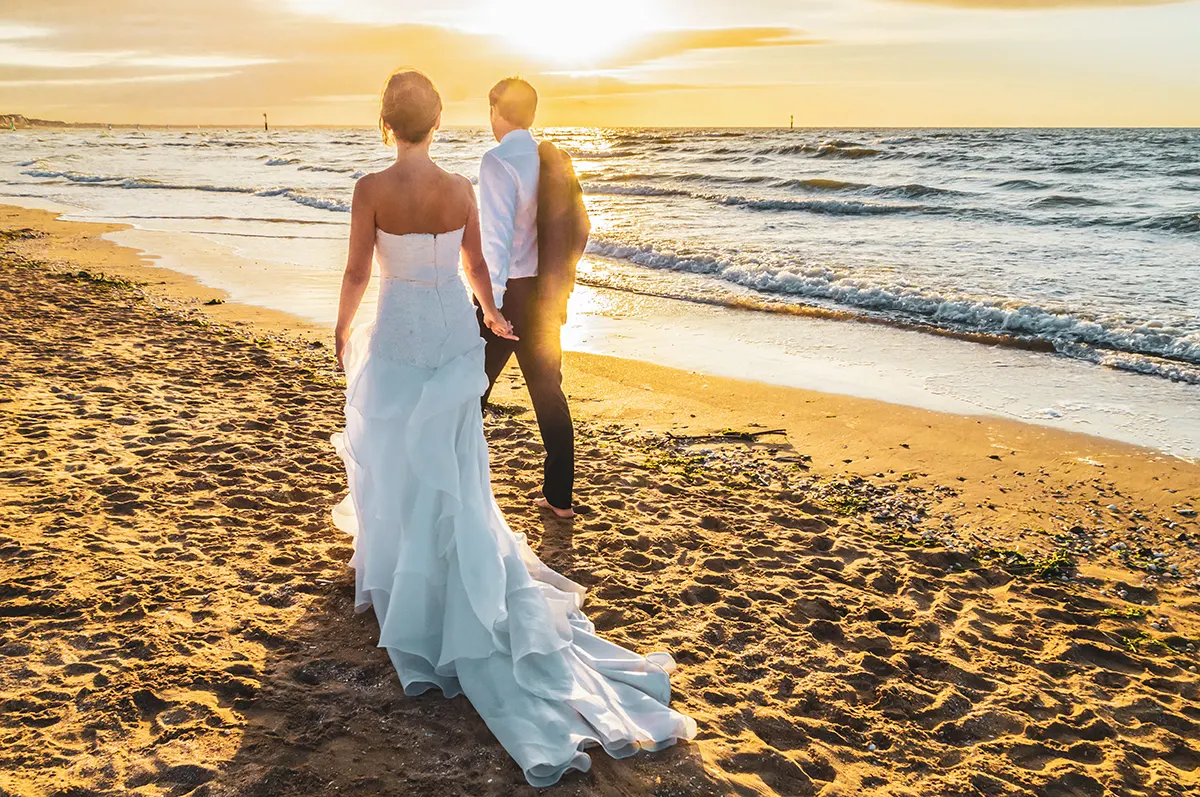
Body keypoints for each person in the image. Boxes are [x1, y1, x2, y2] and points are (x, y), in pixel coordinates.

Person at [330, 68, 695, 788]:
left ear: (387, 122)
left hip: (400, 330)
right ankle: (450, 560)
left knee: (396, 442)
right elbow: (475, 264)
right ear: (437, 123)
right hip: (449, 329)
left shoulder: (370, 188)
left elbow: (356, 272)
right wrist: (493, 313)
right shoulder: (460, 187)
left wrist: (343, 328)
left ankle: (396, 568)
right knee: (454, 453)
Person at [477, 77, 586, 519]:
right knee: (548, 394)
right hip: (544, 292)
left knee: (470, 393)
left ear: (497, 110)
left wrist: (491, 306)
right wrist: (560, 281)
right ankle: (559, 498)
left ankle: (456, 486)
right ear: (533, 113)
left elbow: (495, 241)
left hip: (509, 292)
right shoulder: (553, 159)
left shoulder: (497, 161)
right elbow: (579, 226)